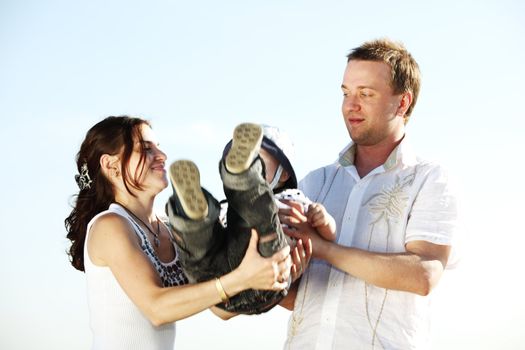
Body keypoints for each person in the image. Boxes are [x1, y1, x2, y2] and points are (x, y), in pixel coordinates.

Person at [279, 39, 461, 349]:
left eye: (366, 94)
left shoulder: (429, 179)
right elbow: (299, 295)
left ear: (402, 103)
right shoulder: (315, 183)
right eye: (346, 93)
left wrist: (323, 249)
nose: (351, 105)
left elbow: (425, 273)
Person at [65, 116, 292, 350]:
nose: (162, 156)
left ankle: (233, 188)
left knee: (208, 242)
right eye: (146, 149)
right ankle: (240, 181)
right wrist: (242, 277)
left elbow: (218, 307)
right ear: (111, 165)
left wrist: (265, 273)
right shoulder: (110, 225)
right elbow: (156, 308)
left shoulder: (170, 230)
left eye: (159, 148)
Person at [165, 122, 334, 317]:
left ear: (284, 173)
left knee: (257, 211)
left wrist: (324, 218)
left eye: (257, 161)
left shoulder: (294, 199)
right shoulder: (233, 207)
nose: (253, 162)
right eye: (246, 160)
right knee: (205, 243)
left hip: (264, 278)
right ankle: (192, 219)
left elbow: (330, 235)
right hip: (223, 282)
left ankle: (234, 187)